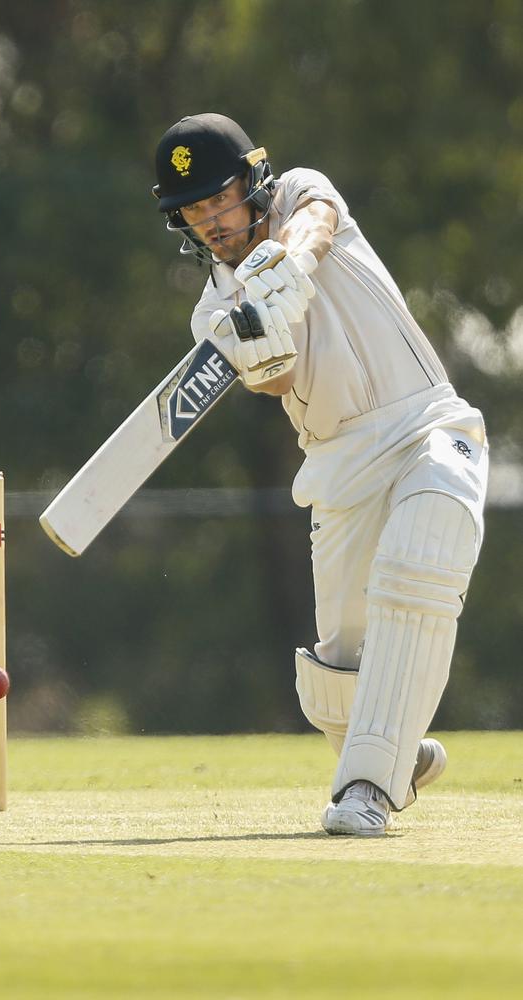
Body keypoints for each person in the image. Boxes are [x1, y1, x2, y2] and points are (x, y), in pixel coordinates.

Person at [152, 113, 488, 836]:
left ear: (253, 181)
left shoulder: (299, 190)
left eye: (221, 199)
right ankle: (398, 752)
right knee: (336, 679)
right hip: (338, 463)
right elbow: (273, 384)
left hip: (425, 420)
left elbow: (320, 222)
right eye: (194, 210)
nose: (212, 221)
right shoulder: (215, 309)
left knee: (419, 559)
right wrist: (257, 330)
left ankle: (368, 788)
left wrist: (289, 268)